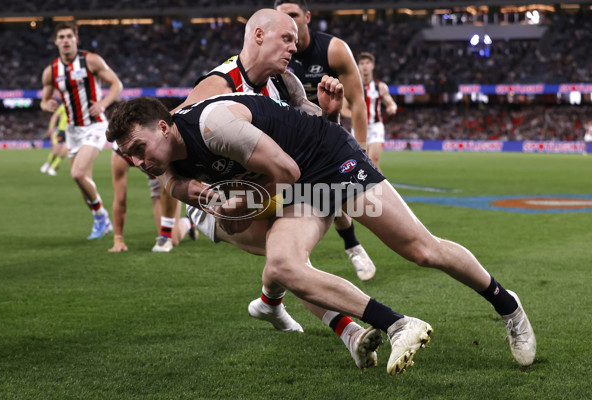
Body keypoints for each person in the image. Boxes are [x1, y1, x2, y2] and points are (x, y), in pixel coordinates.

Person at [107, 93, 536, 373]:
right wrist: (214, 201)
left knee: (422, 249)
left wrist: (245, 200)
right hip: (298, 189)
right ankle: (397, 324)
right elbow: (187, 191)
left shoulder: (213, 125)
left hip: (326, 161)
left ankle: (508, 306)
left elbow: (286, 171)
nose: (138, 162)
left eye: (139, 149)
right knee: (282, 263)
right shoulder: (168, 168)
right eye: (129, 157)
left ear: (164, 127)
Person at [174, 9, 381, 370]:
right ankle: (347, 331)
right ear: (258, 36)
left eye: (294, 39)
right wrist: (182, 189)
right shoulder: (217, 87)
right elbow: (167, 141)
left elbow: (314, 136)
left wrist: (330, 116)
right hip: (220, 198)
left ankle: (271, 305)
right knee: (285, 257)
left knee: (286, 257)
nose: (293, 47)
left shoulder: (285, 83)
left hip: (265, 185)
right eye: (285, 39)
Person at [275, 0, 376, 281]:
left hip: (326, 133)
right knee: (307, 201)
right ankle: (346, 249)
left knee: (334, 197)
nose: (290, 23)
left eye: (294, 15)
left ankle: (352, 247)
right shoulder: (272, 53)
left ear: (307, 16)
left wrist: (362, 149)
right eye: (283, 18)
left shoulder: (334, 49)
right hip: (287, 139)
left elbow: (357, 103)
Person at [40, 21, 122, 240]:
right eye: (61, 37)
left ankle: (101, 216)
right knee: (83, 182)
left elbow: (117, 85)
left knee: (76, 173)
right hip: (73, 130)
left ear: (76, 38)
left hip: (95, 125)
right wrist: (46, 104)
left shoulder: (91, 60)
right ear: (56, 41)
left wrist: (103, 104)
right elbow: (44, 98)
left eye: (69, 36)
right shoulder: (51, 71)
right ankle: (100, 220)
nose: (66, 40)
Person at [109, 141, 196, 253]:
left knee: (171, 238)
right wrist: (118, 239)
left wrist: (165, 234)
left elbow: (169, 185)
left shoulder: (157, 142)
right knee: (174, 239)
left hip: (170, 176)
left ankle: (177, 227)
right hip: (155, 179)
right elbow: (120, 200)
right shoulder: (119, 155)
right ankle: (190, 221)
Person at [342, 52, 397, 169]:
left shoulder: (380, 87)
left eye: (367, 63)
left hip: (375, 126)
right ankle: (369, 186)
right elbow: (343, 109)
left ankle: (378, 187)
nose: (365, 66)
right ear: (358, 66)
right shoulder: (352, 86)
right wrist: (358, 116)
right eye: (362, 63)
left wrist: (392, 107)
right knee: (362, 163)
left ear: (372, 66)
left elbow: (391, 103)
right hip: (358, 128)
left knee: (374, 159)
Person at [40, 103, 68, 176]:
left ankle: (52, 167)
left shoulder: (78, 107)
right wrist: (51, 127)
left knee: (64, 151)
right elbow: (55, 116)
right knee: (56, 151)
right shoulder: (63, 106)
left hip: (71, 132)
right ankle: (48, 163)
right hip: (62, 131)